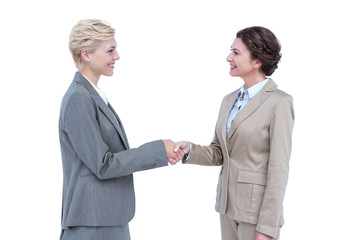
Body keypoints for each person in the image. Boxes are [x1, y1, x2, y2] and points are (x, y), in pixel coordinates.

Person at [58, 19, 184, 240]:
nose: (117, 56)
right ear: (86, 54)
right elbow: (103, 164)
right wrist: (158, 150)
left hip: (107, 219)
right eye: (110, 50)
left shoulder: (92, 95)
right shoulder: (78, 98)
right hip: (92, 225)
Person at [171, 26, 294, 240]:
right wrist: (190, 149)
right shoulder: (229, 100)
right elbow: (220, 152)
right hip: (227, 208)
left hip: (256, 215)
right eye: (231, 51)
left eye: (236, 53)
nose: (229, 57)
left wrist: (267, 226)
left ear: (257, 61)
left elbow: (278, 169)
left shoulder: (279, 103)